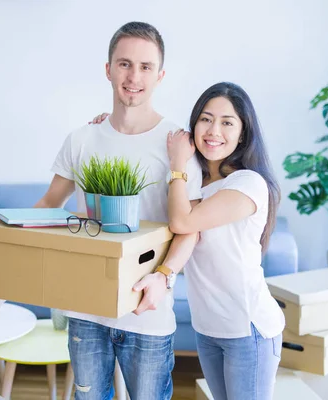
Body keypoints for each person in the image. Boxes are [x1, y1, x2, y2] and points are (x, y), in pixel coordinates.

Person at [34, 21, 202, 400]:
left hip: (148, 311)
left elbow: (189, 227)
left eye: (145, 67)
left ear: (160, 76)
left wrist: (164, 277)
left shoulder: (178, 143)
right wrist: (6, 239)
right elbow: (48, 204)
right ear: (108, 70)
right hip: (85, 308)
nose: (134, 76)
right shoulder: (82, 138)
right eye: (124, 64)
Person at [166, 82, 285, 400]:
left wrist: (177, 166)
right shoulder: (196, 184)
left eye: (227, 122)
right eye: (205, 119)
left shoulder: (248, 183)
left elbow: (182, 222)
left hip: (248, 330)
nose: (213, 130)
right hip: (208, 327)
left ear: (243, 133)